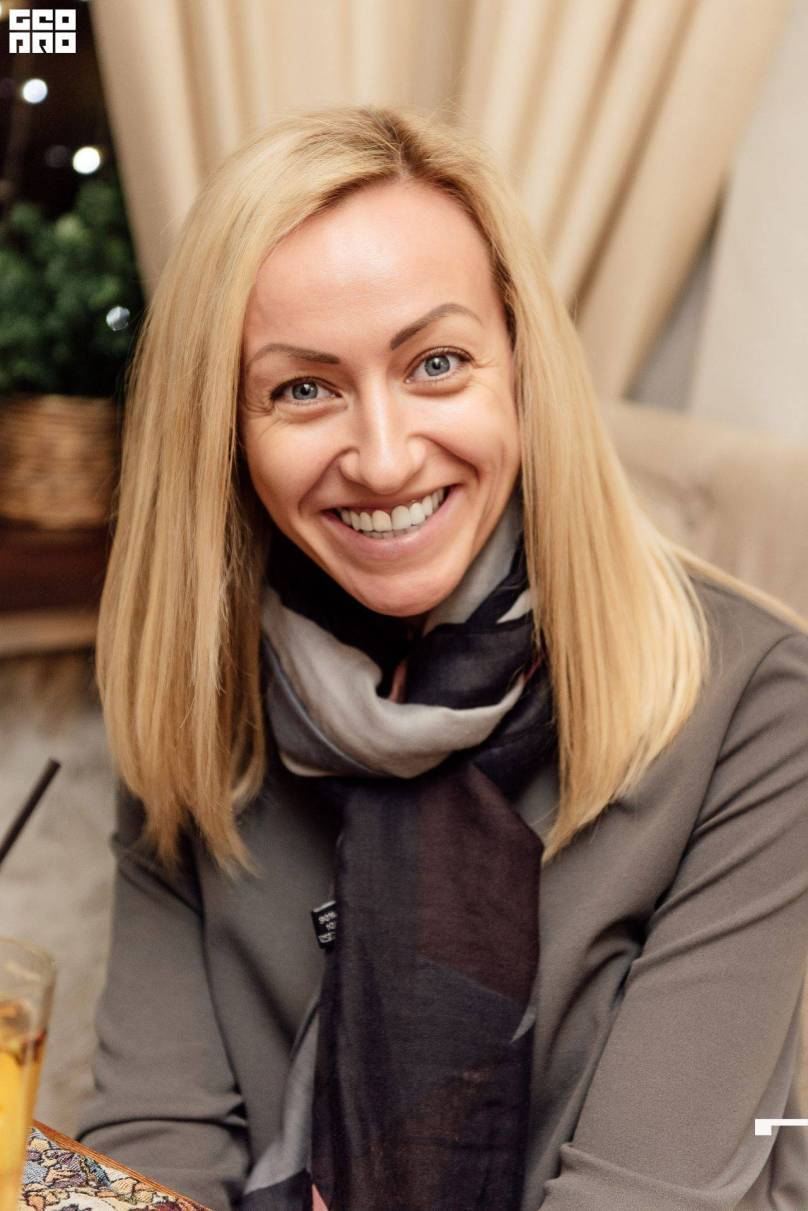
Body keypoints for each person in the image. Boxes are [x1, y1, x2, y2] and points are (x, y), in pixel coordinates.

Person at [76, 104, 808, 1211]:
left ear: (519, 364)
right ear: (224, 426)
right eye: (303, 388)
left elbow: (644, 1197)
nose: (382, 458)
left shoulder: (753, 704)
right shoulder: (194, 693)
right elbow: (142, 1149)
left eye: (436, 362)